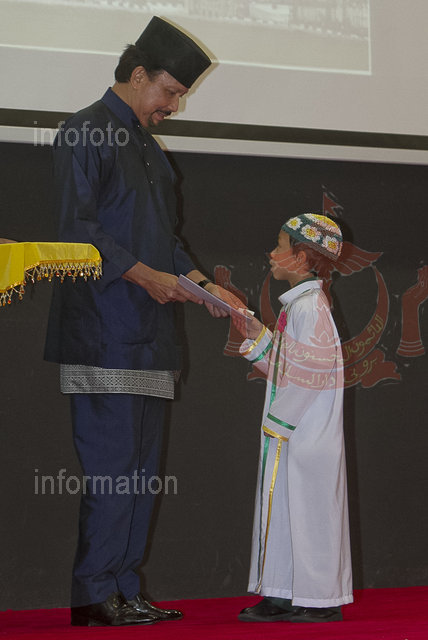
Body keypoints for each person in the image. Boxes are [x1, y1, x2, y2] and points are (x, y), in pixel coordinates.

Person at [44, 16, 241, 627]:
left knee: (141, 475)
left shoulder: (150, 149)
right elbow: (75, 230)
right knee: (111, 473)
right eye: (170, 92)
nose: (173, 107)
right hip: (102, 332)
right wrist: (143, 275)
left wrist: (204, 285)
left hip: (152, 338)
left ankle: (125, 590)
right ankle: (93, 595)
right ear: (138, 75)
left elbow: (166, 240)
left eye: (179, 95)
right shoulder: (83, 132)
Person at [232, 213, 353, 623]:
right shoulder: (302, 306)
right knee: (284, 511)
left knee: (309, 514)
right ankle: (282, 592)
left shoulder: (310, 307)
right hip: (296, 432)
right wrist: (258, 336)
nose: (271, 253)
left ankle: (320, 599)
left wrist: (277, 424)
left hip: (304, 433)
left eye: (279, 246)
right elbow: (293, 366)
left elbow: (312, 371)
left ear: (301, 258)